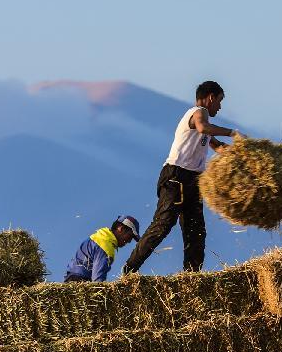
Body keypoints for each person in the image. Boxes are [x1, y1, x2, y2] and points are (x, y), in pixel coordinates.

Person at [122, 81, 243, 275]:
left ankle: (191, 278)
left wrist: (244, 153)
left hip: (194, 181)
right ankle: (129, 270)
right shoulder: (199, 112)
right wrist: (232, 133)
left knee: (196, 232)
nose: (219, 107)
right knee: (163, 224)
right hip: (175, 177)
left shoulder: (204, 127)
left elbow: (217, 146)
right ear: (210, 97)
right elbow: (203, 127)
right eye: (219, 101)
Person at [65, 216, 141, 282]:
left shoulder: (98, 237)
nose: (129, 241)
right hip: (80, 279)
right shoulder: (105, 245)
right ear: (120, 228)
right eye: (130, 236)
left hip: (72, 277)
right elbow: (98, 279)